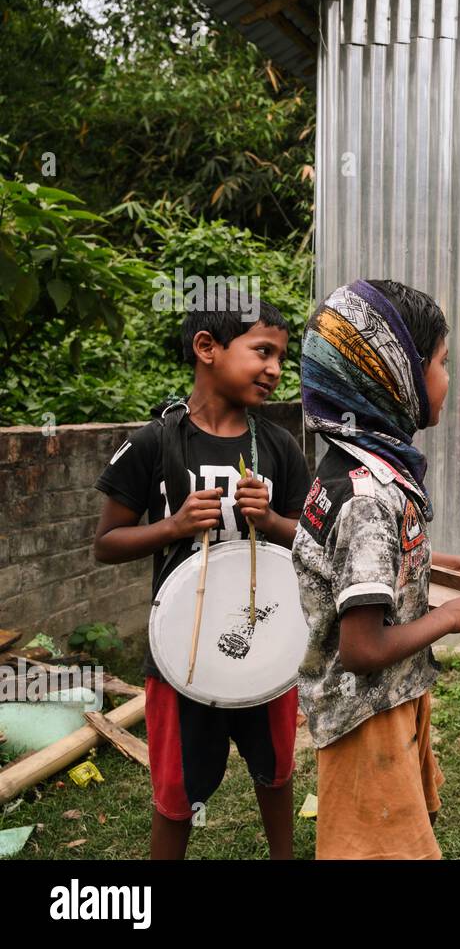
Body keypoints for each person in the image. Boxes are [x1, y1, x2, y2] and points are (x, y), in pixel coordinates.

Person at [292, 279, 460, 859]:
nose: (447, 379)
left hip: (393, 699)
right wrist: (453, 616)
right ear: (396, 376)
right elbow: (362, 649)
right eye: (442, 363)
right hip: (368, 717)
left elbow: (355, 568)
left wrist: (440, 565)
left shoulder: (351, 463)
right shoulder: (369, 496)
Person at [93, 296, 310, 859]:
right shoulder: (154, 443)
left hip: (269, 642)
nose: (276, 369)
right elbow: (106, 543)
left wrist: (273, 520)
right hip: (179, 656)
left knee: (277, 773)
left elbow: (310, 542)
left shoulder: (281, 447)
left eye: (283, 357)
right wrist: (174, 525)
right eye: (263, 351)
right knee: (176, 794)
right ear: (207, 348)